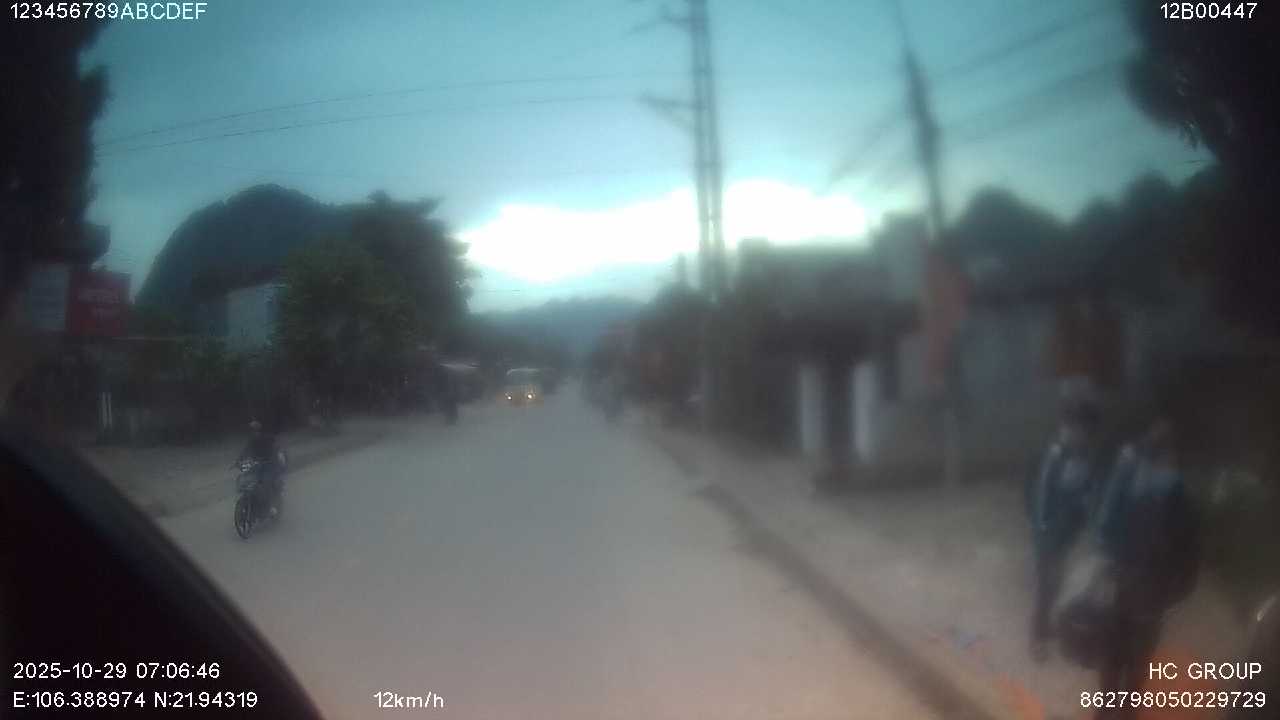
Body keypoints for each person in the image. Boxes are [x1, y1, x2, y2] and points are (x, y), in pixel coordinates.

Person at [1092, 416, 1199, 718]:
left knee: (1115, 654)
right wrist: (1176, 592)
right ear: (1170, 455)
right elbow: (1188, 550)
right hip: (1148, 591)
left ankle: (1109, 711)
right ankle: (1123, 711)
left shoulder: (1128, 479)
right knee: (1135, 659)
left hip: (1124, 584)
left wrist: (1111, 564)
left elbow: (1104, 528)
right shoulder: (1175, 491)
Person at [1025, 400, 1103, 661]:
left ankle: (1046, 626)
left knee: (1057, 582)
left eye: (1088, 432)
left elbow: (1087, 489)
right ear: (1070, 427)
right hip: (1048, 533)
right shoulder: (1055, 454)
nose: (1083, 436)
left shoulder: (1085, 455)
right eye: (1080, 429)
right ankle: (1037, 638)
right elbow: (1042, 493)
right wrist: (1043, 528)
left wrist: (1087, 512)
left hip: (1068, 531)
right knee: (1046, 584)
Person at [236, 420, 284, 516]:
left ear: (258, 430)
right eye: (251, 431)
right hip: (258, 466)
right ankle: (254, 502)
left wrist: (271, 459)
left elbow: (275, 449)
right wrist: (238, 461)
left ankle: (271, 507)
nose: (252, 432)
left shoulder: (267, 438)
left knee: (265, 484)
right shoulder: (251, 440)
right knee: (246, 480)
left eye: (254, 430)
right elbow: (245, 451)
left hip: (270, 466)